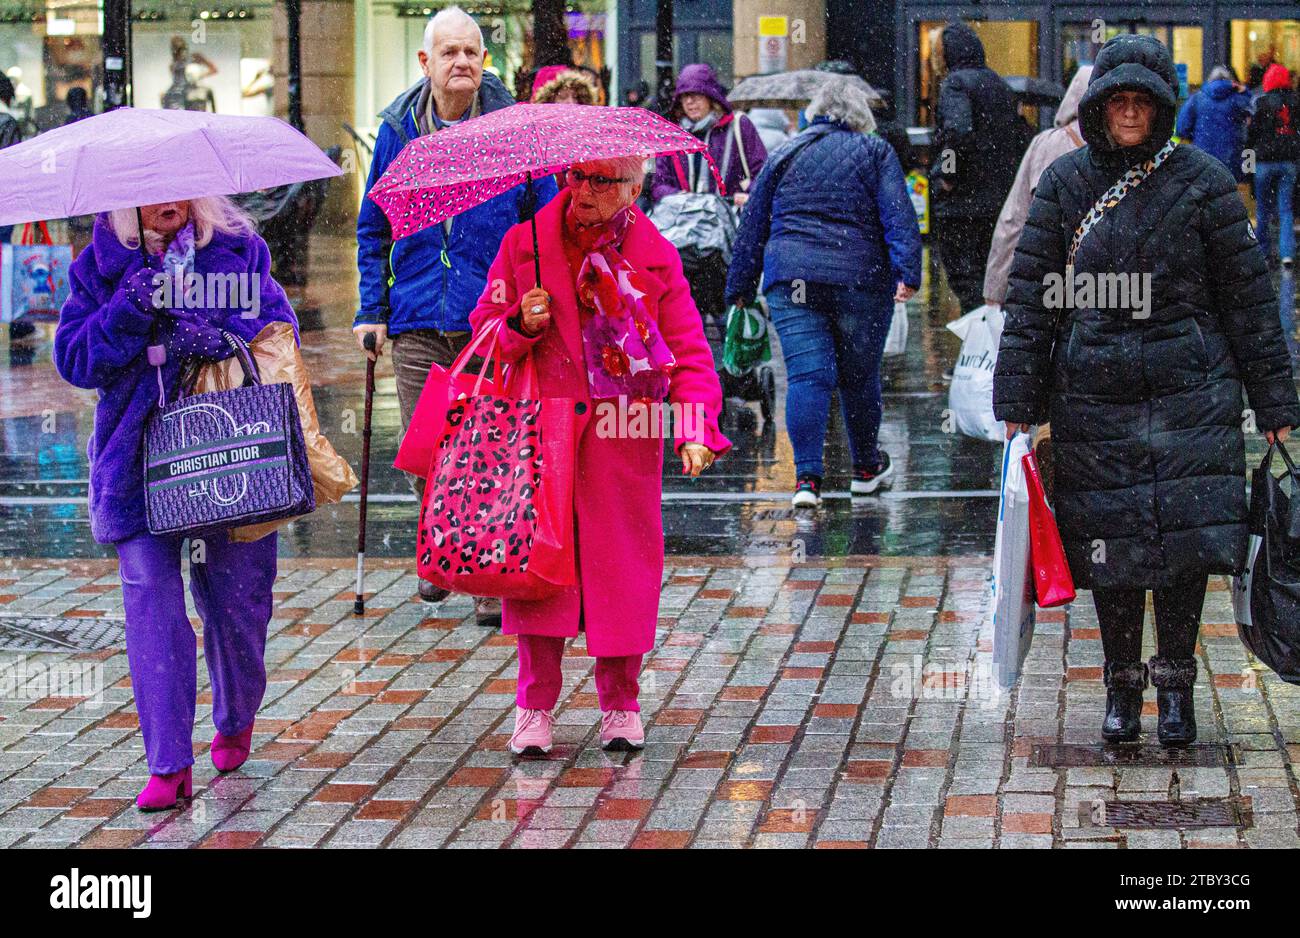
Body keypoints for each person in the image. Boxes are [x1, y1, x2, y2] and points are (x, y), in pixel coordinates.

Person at [993, 35, 1299, 747]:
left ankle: (1178, 687)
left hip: (1190, 391)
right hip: (1094, 398)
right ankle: (1122, 687)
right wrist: (1018, 407)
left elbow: (1250, 304)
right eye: (1118, 100)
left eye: (1142, 101)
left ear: (1162, 106)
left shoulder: (1204, 181)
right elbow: (1034, 300)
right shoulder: (1067, 183)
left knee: (1185, 552)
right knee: (1115, 550)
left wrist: (1278, 408)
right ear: (1100, 104)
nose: (1129, 113)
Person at [468, 156, 729, 754]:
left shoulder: (654, 252)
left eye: (602, 181)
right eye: (576, 177)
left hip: (625, 432)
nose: (583, 190)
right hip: (545, 431)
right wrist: (519, 324)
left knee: (623, 570)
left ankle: (621, 703)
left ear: (634, 190)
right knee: (541, 571)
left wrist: (695, 428)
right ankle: (534, 707)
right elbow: (483, 329)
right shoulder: (523, 241)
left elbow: (687, 349)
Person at [53, 197, 297, 809]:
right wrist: (128, 310)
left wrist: (221, 335)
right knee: (149, 599)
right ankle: (168, 763)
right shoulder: (99, 266)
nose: (167, 201)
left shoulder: (238, 252)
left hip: (228, 450)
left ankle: (237, 712)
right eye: (149, 192)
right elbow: (76, 358)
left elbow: (278, 331)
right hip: (135, 457)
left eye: (180, 186)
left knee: (240, 599)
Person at [353, 6, 557, 619]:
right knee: (427, 449)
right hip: (418, 315)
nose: (462, 62)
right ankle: (443, 548)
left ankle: (489, 574)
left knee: (489, 446)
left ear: (484, 60)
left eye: (471, 52)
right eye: (449, 53)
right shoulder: (398, 130)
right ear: (427, 62)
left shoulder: (513, 130)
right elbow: (374, 228)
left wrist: (533, 296)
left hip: (491, 319)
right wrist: (372, 310)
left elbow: (541, 222)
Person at [725, 78, 921, 508]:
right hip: (860, 279)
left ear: (815, 113)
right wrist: (908, 270)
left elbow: (753, 226)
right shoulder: (875, 152)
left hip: (792, 278)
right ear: (859, 116)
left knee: (808, 376)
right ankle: (866, 469)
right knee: (859, 376)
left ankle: (807, 481)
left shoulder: (784, 154)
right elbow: (898, 214)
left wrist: (740, 285)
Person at [928, 21, 1020, 313]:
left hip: (963, 204)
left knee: (966, 281)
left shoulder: (955, 84)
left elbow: (957, 132)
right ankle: (991, 341)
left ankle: (980, 346)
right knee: (989, 277)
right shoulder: (999, 85)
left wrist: (947, 175)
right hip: (996, 199)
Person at [982, 66, 1093, 307]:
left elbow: (1013, 220)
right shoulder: (1128, 148)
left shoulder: (1046, 144)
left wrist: (995, 289)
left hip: (1045, 274)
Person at [1247, 63, 1298, 271]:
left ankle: (1263, 254)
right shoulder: (1295, 102)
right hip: (1289, 162)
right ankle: (1287, 254)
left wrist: (1247, 166)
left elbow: (1249, 136)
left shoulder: (1259, 102)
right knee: (1286, 210)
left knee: (1262, 210)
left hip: (1263, 162)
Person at [1175, 65, 1251, 178]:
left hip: (1204, 155)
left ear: (1209, 80)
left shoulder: (1197, 98)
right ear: (1230, 80)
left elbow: (1182, 128)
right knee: (1229, 189)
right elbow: (1251, 111)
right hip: (1231, 157)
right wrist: (1245, 91)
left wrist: (1196, 137)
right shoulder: (1237, 98)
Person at [530, 66, 599, 105]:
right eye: (563, 97)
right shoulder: (540, 128)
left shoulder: (585, 127)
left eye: (576, 97)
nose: (571, 102)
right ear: (549, 100)